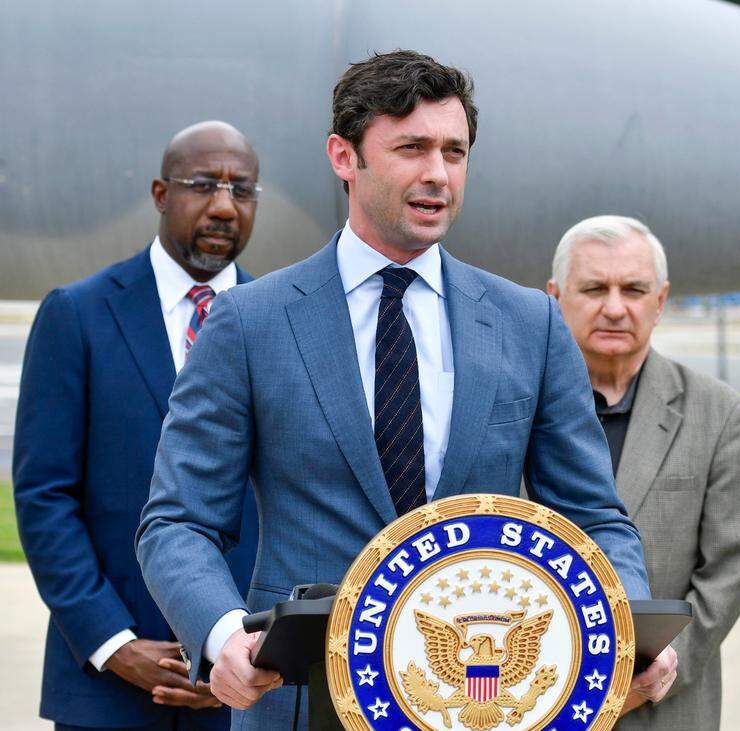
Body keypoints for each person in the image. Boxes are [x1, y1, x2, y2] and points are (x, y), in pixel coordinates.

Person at [136, 51, 676, 726]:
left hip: (481, 699)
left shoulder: (529, 323)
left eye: (455, 152)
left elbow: (593, 517)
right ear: (344, 157)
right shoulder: (249, 323)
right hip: (300, 698)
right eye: (411, 148)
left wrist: (628, 624)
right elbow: (178, 521)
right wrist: (221, 636)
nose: (437, 175)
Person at [14, 121, 261, 730]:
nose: (224, 206)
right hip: (109, 692)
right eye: (203, 184)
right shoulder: (77, 315)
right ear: (159, 193)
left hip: (251, 690)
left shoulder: (284, 325)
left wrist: (243, 653)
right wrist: (112, 644)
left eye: (243, 190)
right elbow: (45, 496)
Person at [547, 215, 740, 729]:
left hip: (666, 706)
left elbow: (728, 573)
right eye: (595, 288)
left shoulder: (720, 412)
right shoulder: (519, 408)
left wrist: (645, 676)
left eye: (634, 290)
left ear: (660, 301)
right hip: (542, 698)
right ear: (555, 298)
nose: (615, 307)